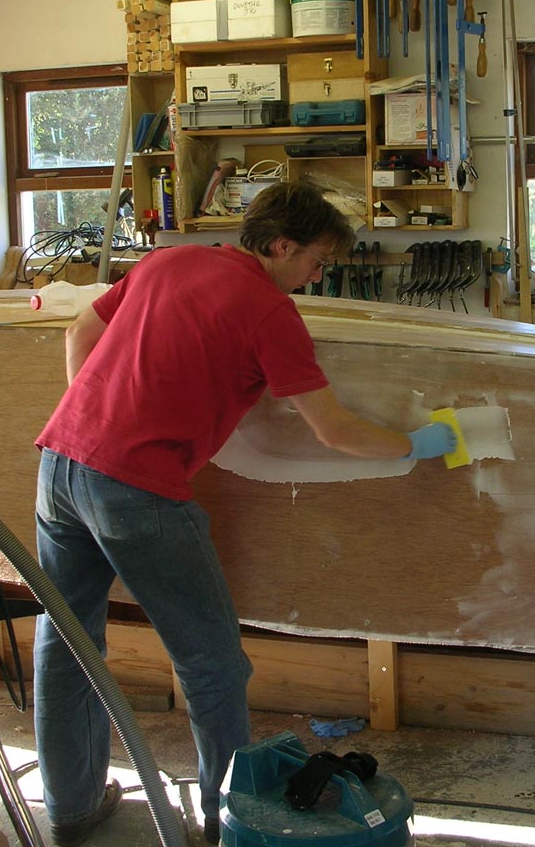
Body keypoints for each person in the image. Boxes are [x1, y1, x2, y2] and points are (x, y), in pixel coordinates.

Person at [31, 181, 458, 847]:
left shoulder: (168, 260)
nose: (319, 275)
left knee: (67, 645)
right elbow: (335, 431)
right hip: (136, 489)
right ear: (281, 244)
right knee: (212, 666)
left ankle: (70, 809)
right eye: (315, 260)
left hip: (59, 463)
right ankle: (221, 822)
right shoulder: (269, 311)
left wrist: (99, 420)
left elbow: (79, 327)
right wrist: (418, 444)